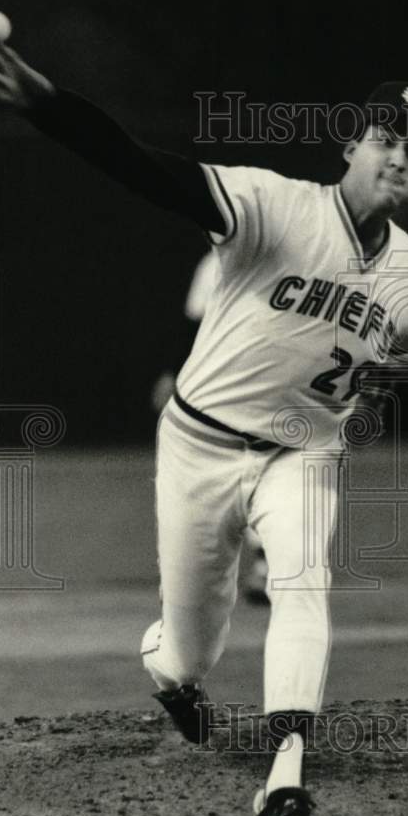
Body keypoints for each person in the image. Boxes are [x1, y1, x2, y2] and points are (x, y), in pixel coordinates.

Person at [0, 44, 408, 816]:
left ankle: (286, 784)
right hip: (199, 447)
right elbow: (146, 169)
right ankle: (171, 676)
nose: (400, 157)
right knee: (188, 649)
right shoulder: (272, 205)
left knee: (302, 581)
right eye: (387, 136)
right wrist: (51, 107)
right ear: (351, 145)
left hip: (304, 455)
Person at [151, 247, 270, 606]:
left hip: (259, 382)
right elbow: (194, 325)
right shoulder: (216, 260)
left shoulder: (277, 255)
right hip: (222, 384)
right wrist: (174, 373)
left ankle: (263, 567)